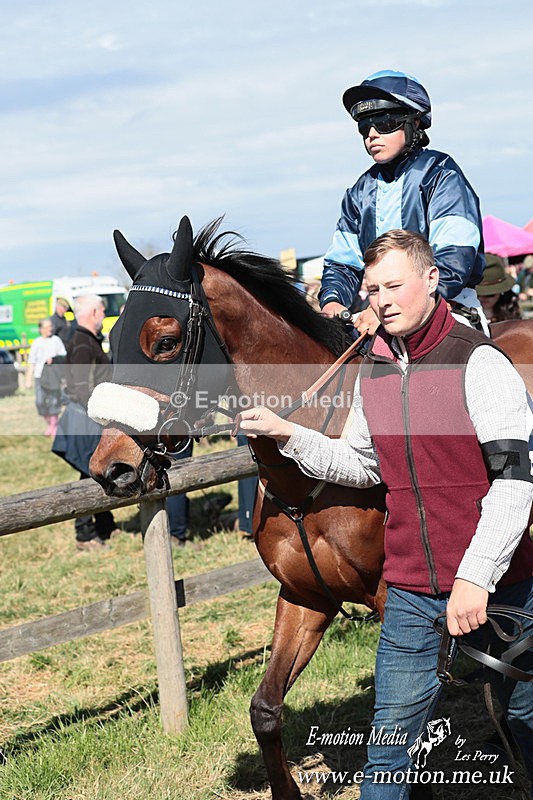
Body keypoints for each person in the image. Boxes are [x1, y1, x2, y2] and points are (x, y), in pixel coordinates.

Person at [237, 230, 533, 797]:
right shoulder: (372, 373)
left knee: (524, 723)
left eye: (395, 285)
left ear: (431, 280)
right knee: (388, 754)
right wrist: (287, 434)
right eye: (373, 290)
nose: (383, 299)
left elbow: (515, 482)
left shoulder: (479, 363)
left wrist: (476, 577)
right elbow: (361, 465)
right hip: (410, 592)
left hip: (503, 585)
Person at [319, 69, 488, 334]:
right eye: (365, 127)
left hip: (446, 307)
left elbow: (454, 260)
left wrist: (393, 308)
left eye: (384, 123)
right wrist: (332, 299)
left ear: (415, 123)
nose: (372, 134)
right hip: (379, 310)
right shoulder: (358, 192)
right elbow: (342, 263)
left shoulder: (442, 174)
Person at [52, 295, 117, 551]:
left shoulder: (87, 340)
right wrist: (100, 412)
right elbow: (80, 388)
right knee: (89, 473)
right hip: (86, 419)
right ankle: (84, 534)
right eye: (101, 309)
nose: (103, 314)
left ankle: (104, 525)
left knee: (97, 471)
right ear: (92, 312)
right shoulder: (82, 342)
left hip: (90, 417)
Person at [25, 317, 66, 436]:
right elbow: (31, 362)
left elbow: (64, 357)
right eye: (48, 327)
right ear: (41, 329)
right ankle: (50, 423)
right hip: (39, 377)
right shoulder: (37, 342)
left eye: (51, 326)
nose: (51, 329)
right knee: (40, 402)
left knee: (54, 401)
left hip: (53, 376)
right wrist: (28, 379)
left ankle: (54, 426)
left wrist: (54, 360)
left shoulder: (56, 340)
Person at [476, 253, 522, 323]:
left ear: (501, 292)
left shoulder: (512, 316)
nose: (483, 298)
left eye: (490, 294)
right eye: (477, 294)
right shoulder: (461, 317)